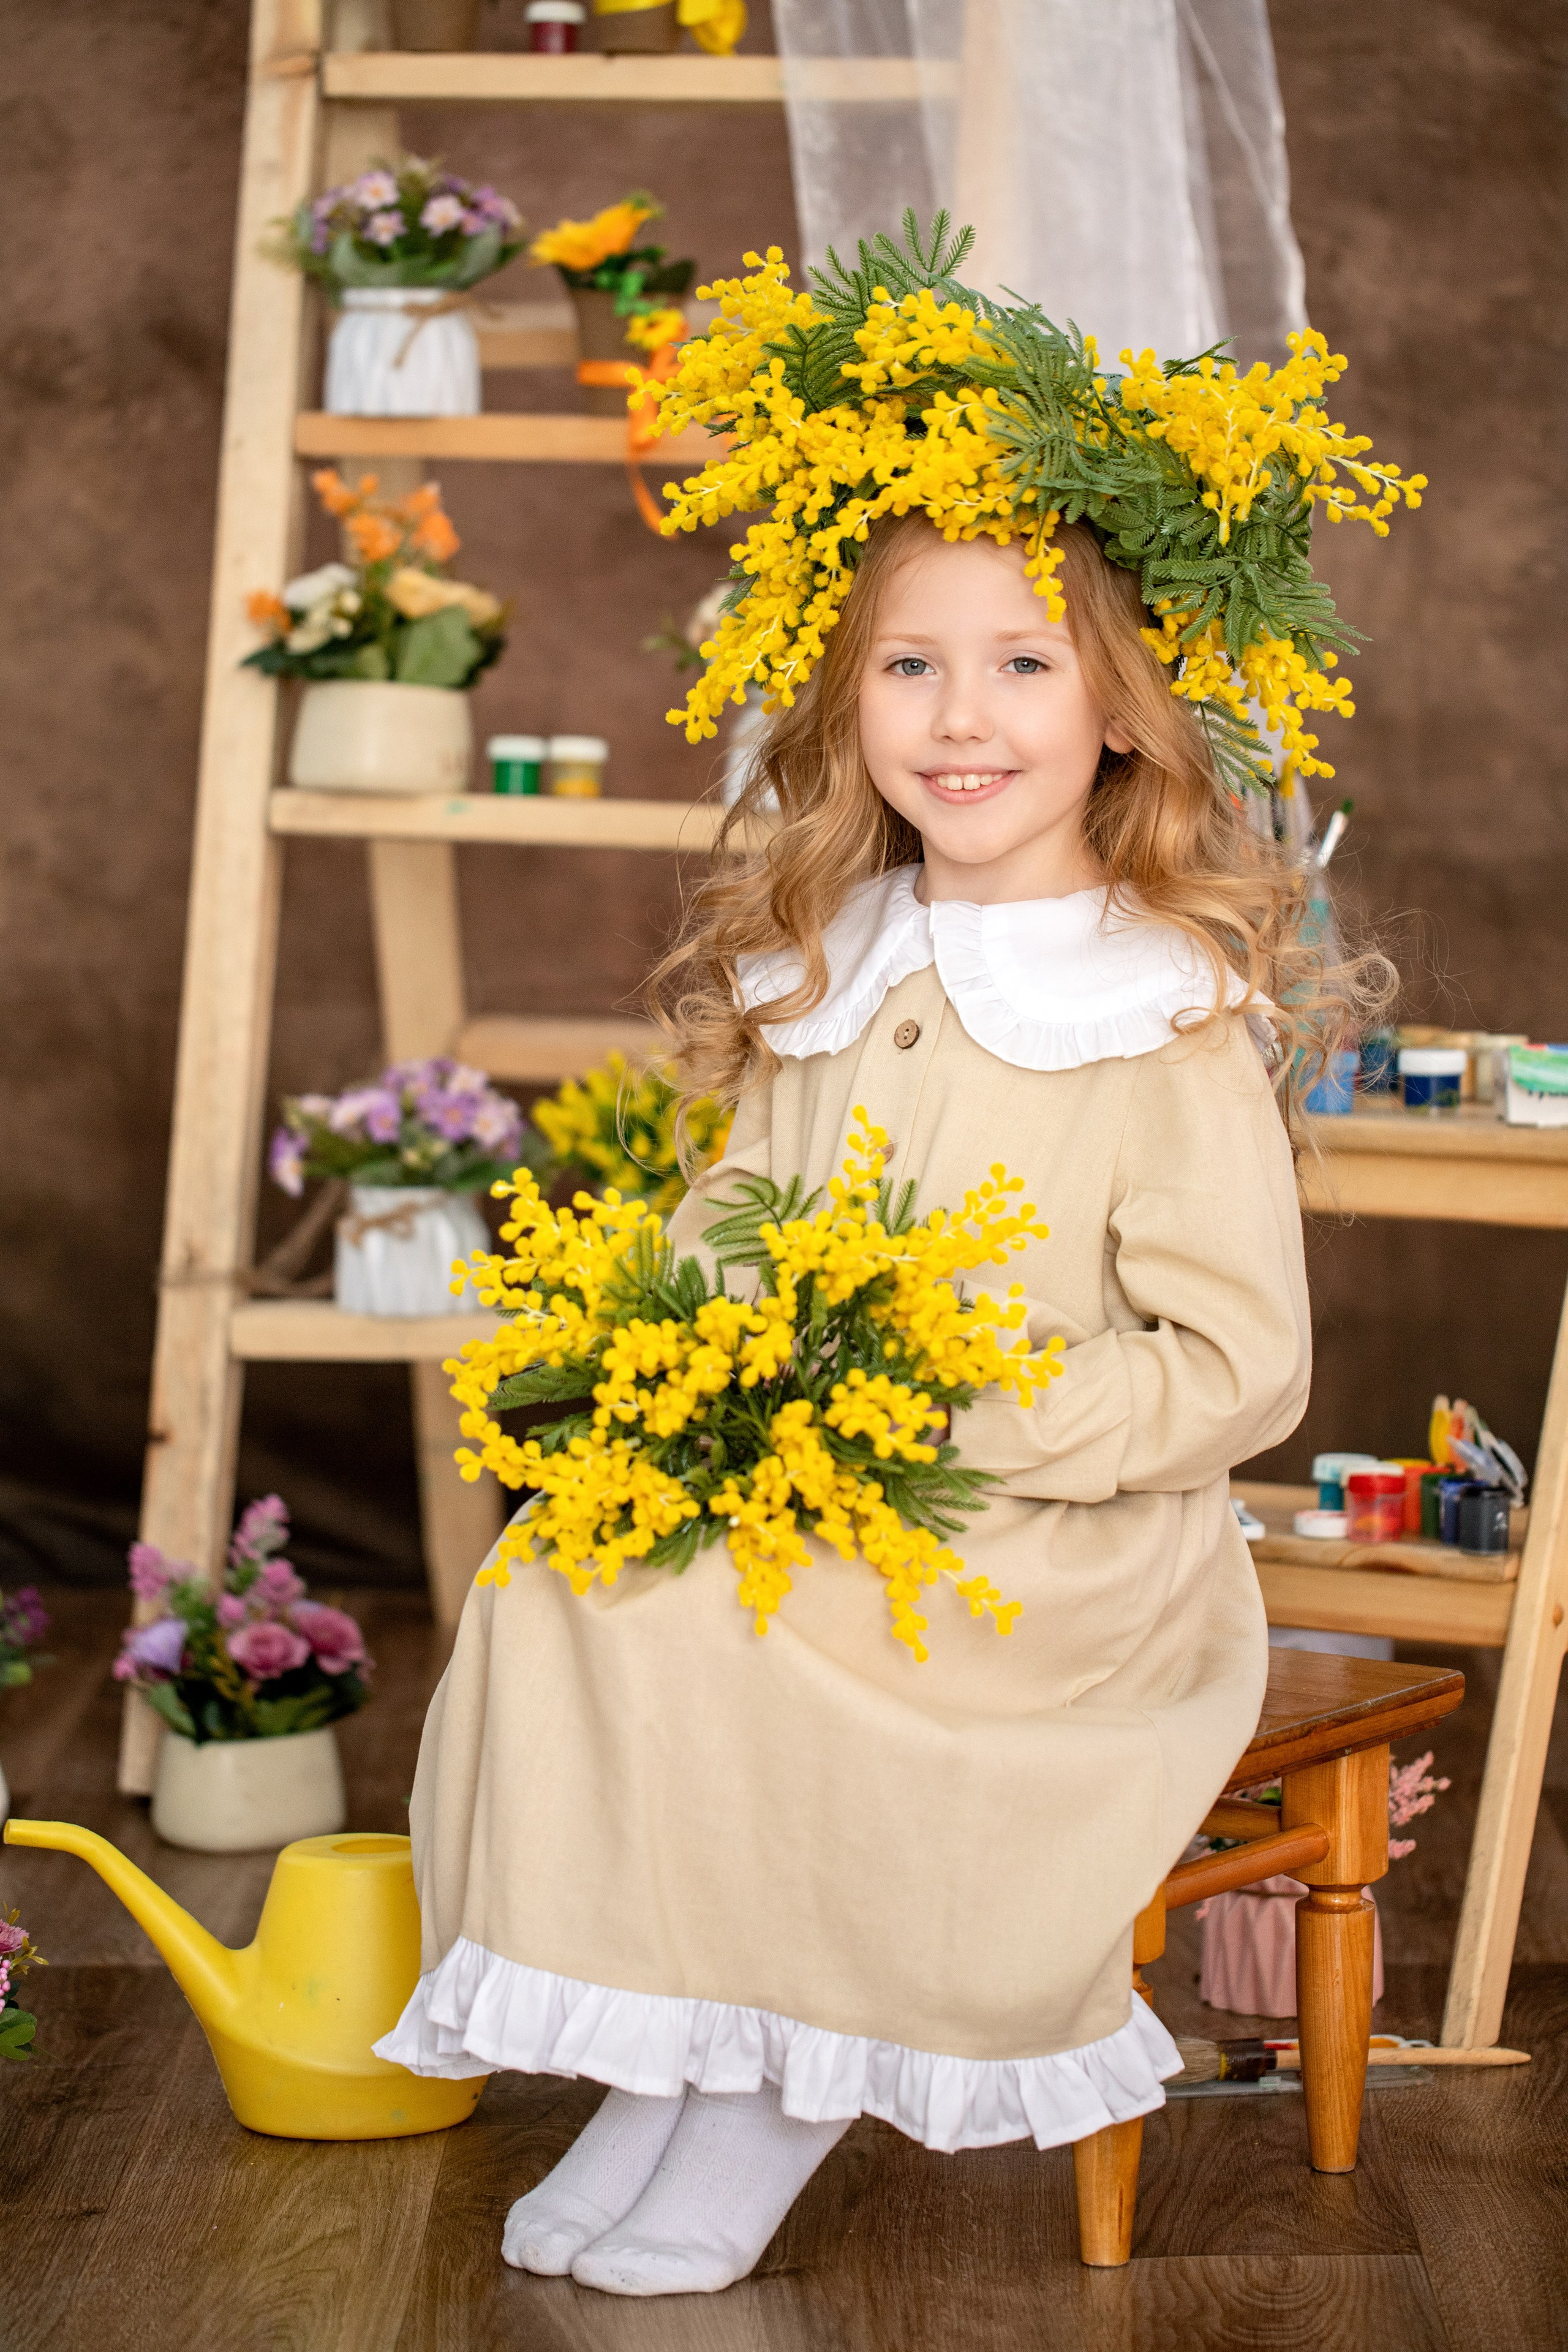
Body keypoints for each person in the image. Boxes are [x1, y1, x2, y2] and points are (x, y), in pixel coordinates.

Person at [377, 227, 1409, 2297]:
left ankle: (780, 2084)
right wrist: (679, 1369)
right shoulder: (836, 957)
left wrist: (970, 1415)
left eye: (1024, 665)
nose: (962, 717)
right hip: (826, 1474)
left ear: (1120, 712)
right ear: (846, 700)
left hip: (1050, 1545)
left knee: (750, 1641)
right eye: (910, 667)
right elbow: (734, 1211)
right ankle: (676, 2044)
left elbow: (1240, 1370)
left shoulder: (1159, 1005)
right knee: (572, 1585)